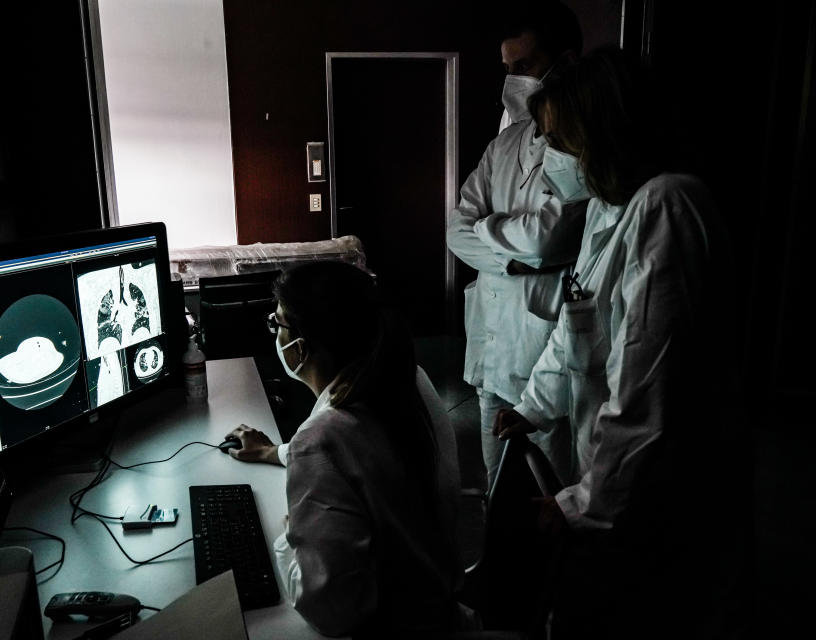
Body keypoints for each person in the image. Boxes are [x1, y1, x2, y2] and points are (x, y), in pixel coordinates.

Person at [496, 46, 746, 638]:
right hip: (611, 473)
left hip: (657, 492)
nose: (551, 157)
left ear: (603, 129)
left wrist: (583, 505)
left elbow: (647, 390)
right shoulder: (611, 209)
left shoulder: (667, 205)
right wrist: (530, 408)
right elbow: (576, 325)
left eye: (560, 140)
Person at [225, 261, 467, 637]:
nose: (273, 331)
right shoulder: (409, 381)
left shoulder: (322, 439)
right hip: (438, 606)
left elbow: (330, 612)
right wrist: (274, 451)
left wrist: (287, 535)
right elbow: (357, 454)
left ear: (300, 346)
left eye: (277, 323)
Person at [446, 0, 585, 491]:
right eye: (507, 69)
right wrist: (516, 257)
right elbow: (455, 230)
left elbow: (549, 237)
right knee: (495, 490)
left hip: (545, 356)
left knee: (554, 494)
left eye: (523, 66)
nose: (513, 80)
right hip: (492, 350)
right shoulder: (502, 146)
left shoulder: (581, 145)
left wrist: (490, 231)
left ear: (565, 63)